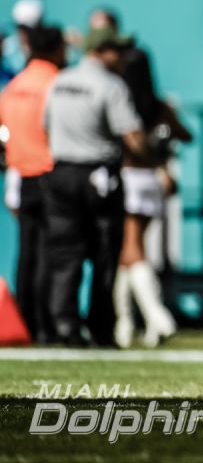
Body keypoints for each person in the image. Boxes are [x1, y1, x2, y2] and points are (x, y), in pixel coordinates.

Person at [42, 27, 146, 346]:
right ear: (101, 50)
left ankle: (64, 324)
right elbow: (133, 137)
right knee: (104, 251)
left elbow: (45, 127)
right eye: (119, 51)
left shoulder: (60, 81)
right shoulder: (111, 85)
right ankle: (101, 327)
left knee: (65, 254)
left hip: (60, 172)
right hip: (98, 174)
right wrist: (151, 154)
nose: (125, 58)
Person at [113, 46, 192, 348]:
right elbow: (186, 134)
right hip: (152, 179)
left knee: (131, 249)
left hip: (129, 177)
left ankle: (156, 315)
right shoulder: (159, 106)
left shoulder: (121, 101)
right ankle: (127, 323)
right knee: (127, 253)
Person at [0, 25, 64, 342]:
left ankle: (24, 318)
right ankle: (45, 322)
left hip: (20, 173)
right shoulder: (54, 83)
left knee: (27, 252)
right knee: (51, 252)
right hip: (49, 172)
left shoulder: (14, 86)